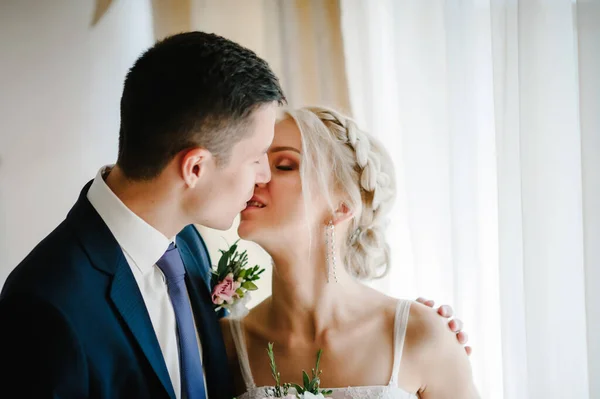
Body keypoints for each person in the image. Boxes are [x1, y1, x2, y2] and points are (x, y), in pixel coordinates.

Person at [0, 31, 468, 399]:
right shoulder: (47, 303)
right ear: (196, 167)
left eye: (282, 163)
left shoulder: (188, 252)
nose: (260, 175)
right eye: (259, 157)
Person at [221, 107, 480, 398]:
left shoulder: (420, 335)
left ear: (341, 206)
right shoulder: (227, 345)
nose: (257, 177)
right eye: (255, 162)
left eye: (284, 165)